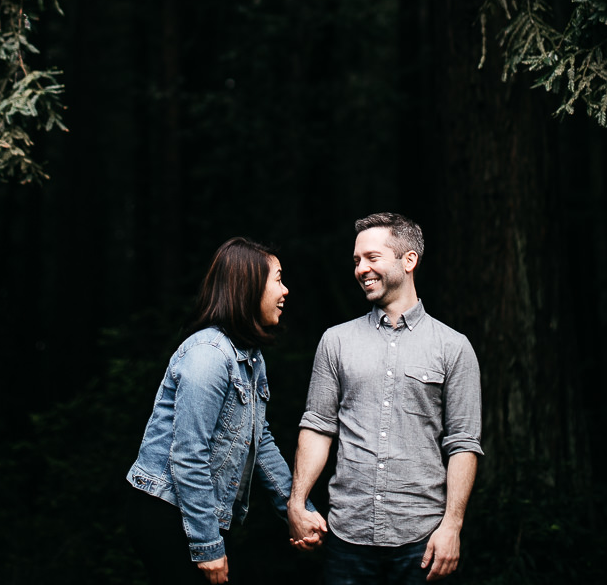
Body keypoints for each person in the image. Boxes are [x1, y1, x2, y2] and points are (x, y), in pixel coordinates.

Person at [287, 212, 482, 584]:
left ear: (409, 260)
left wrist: (452, 527)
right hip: (345, 537)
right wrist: (297, 503)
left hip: (423, 540)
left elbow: (463, 444)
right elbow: (317, 427)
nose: (361, 269)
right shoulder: (336, 341)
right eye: (357, 260)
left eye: (372, 258)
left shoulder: (454, 347)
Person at [127, 236, 327, 583]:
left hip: (199, 511)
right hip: (167, 510)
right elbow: (188, 456)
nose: (286, 291)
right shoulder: (208, 355)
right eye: (277, 279)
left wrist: (296, 510)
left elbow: (259, 441)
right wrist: (208, 546)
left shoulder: (250, 358)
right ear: (249, 286)